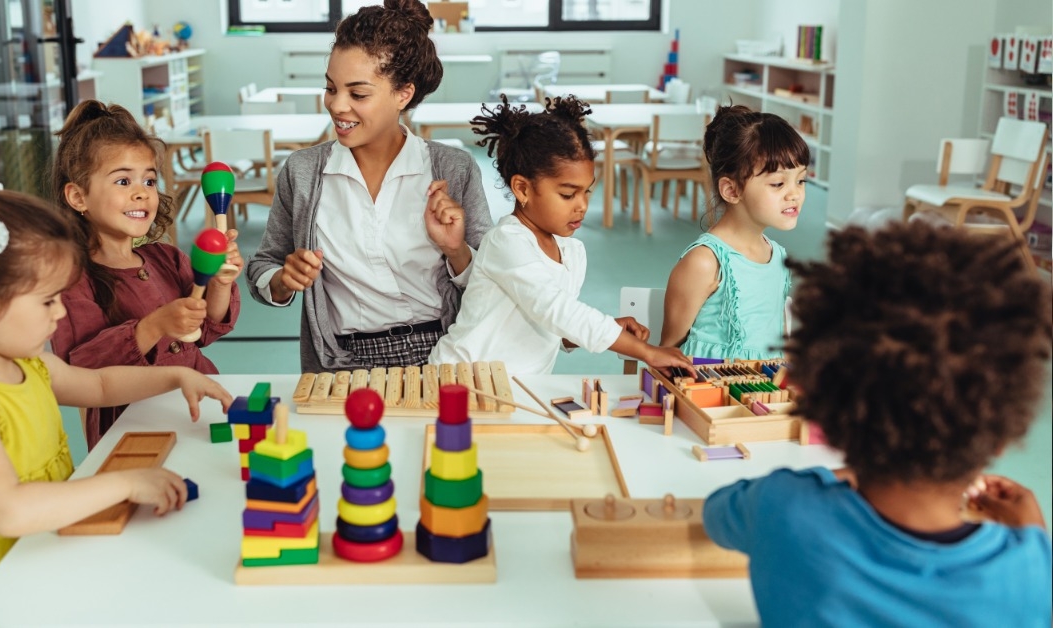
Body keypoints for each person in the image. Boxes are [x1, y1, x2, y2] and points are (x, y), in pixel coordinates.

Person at [0, 173, 233, 628]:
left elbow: (100, 386)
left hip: (49, 565)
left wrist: (175, 374)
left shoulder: (31, 366)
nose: (62, 312)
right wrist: (127, 483)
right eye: (48, 301)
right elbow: (9, 509)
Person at [703, 223, 1052, 627]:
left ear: (829, 418)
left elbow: (717, 514)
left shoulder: (782, 507)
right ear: (1002, 437)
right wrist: (1035, 539)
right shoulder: (1031, 572)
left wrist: (828, 479)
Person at [246, 0, 493, 372]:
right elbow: (264, 266)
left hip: (446, 354)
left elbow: (493, 284)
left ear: (403, 94)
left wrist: (456, 251)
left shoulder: (453, 169)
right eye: (331, 88)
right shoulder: (302, 173)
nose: (337, 106)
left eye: (358, 94)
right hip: (339, 361)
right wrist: (283, 280)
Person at [429, 96, 694, 376]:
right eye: (568, 194)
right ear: (522, 189)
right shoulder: (507, 241)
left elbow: (552, 326)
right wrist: (647, 352)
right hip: (460, 381)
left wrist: (612, 328)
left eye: (587, 191)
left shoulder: (572, 252)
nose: (582, 205)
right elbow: (556, 310)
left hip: (518, 388)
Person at [50, 100, 242, 449]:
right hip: (130, 428)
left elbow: (206, 328)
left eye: (149, 180)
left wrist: (219, 283)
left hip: (195, 406)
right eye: (123, 180)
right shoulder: (72, 280)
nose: (142, 192)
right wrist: (153, 326)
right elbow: (79, 369)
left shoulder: (166, 258)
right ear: (78, 196)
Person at [661, 105, 808, 360]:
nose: (794, 194)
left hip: (763, 394)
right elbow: (666, 356)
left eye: (801, 180)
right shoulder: (705, 262)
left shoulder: (778, 257)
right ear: (731, 190)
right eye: (778, 183)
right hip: (707, 394)